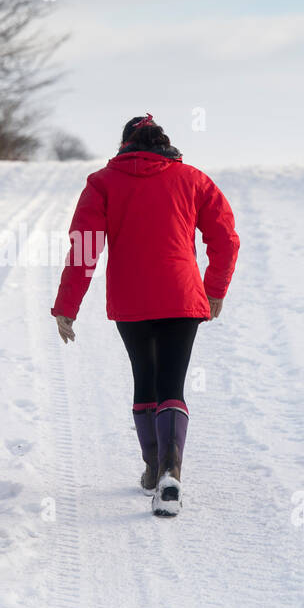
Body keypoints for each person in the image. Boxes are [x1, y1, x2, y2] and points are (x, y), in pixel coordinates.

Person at [51, 114, 239, 516]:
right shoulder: (193, 179)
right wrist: (215, 289)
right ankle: (172, 469)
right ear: (165, 145)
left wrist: (68, 306)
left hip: (131, 300)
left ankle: (154, 468)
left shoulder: (102, 183)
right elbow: (225, 236)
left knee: (145, 377)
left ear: (124, 147)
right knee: (173, 382)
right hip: (182, 297)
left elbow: (84, 248)